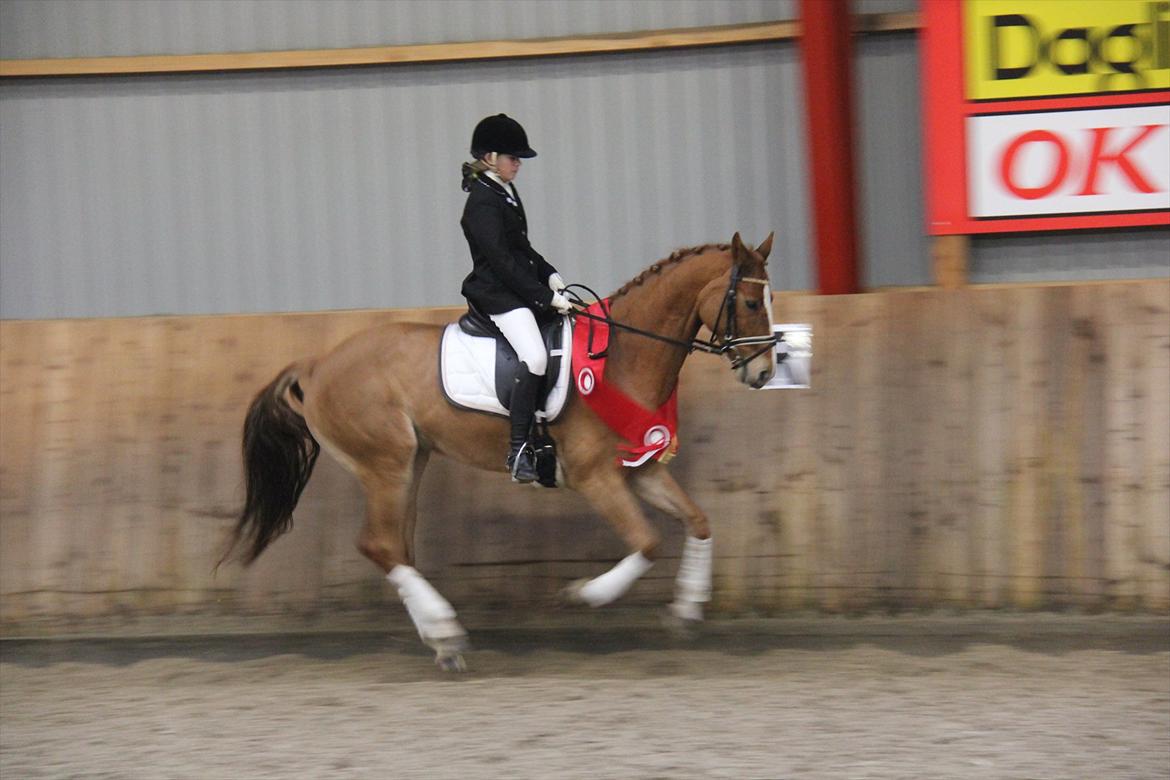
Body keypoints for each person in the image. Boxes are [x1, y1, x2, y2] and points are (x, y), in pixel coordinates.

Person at [460, 114, 574, 483]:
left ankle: (545, 436)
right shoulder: (481, 202)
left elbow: (521, 247)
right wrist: (544, 297)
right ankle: (519, 448)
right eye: (514, 158)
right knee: (536, 356)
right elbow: (502, 261)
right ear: (491, 157)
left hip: (517, 288)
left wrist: (548, 272)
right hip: (497, 294)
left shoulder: (503, 191)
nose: (519, 164)